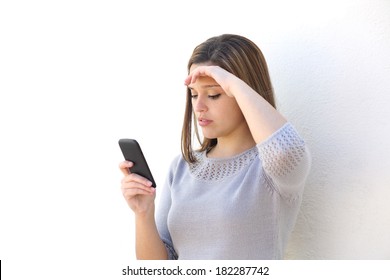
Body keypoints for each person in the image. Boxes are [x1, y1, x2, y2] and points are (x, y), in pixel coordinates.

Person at [119, 34, 311, 260]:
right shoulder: (182, 168)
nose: (199, 107)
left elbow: (287, 150)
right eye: (193, 94)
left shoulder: (271, 169)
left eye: (214, 94)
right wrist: (143, 213)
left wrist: (232, 82)